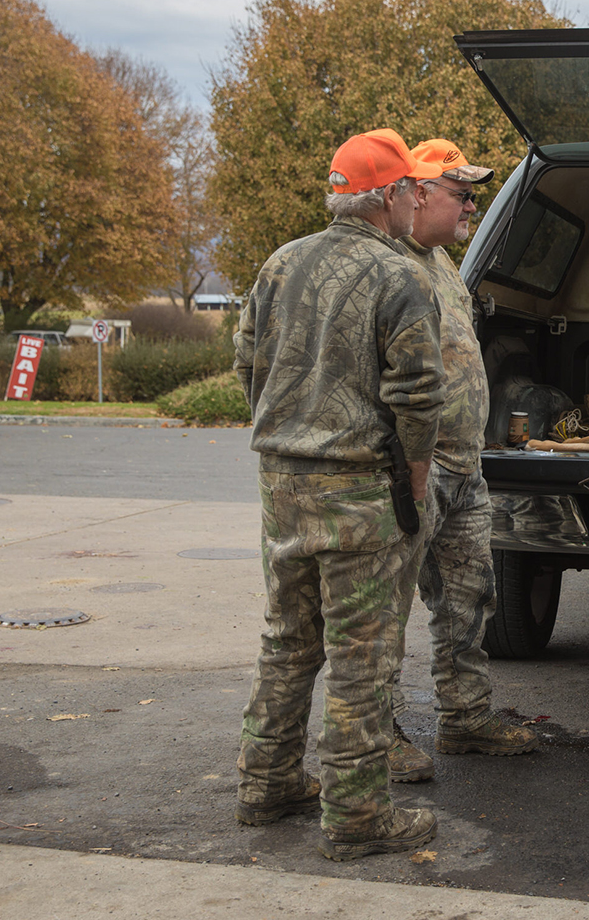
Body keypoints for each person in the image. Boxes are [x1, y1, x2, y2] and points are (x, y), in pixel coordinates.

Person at [233, 128, 446, 861]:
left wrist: (289, 430)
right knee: (362, 654)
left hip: (281, 485)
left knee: (287, 639)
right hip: (358, 489)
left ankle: (266, 782)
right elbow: (420, 394)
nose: (417, 202)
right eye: (411, 191)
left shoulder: (279, 264)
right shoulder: (401, 276)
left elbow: (247, 363)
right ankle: (355, 817)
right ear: (388, 197)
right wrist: (414, 483)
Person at [384, 138, 539, 782]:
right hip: (413, 469)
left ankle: (465, 718)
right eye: (462, 193)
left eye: (476, 193)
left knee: (471, 596)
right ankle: (376, 735)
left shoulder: (444, 261)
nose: (473, 203)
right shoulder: (385, 265)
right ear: (418, 193)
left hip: (464, 468)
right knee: (384, 606)